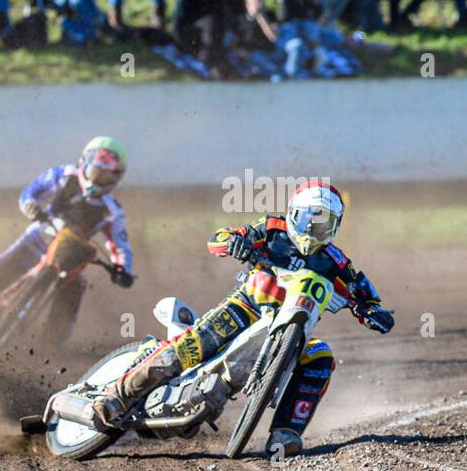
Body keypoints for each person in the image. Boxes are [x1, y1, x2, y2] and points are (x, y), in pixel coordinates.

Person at [93, 181, 394, 456]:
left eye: (323, 220)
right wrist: (234, 244)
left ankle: (286, 433)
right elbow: (220, 237)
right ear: (293, 213)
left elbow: (364, 294)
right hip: (246, 308)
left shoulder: (336, 262)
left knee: (320, 357)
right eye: (308, 217)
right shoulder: (273, 229)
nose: (314, 226)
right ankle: (119, 394)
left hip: (296, 328)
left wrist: (374, 312)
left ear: (335, 224)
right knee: (194, 343)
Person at [0, 137, 134, 347]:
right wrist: (31, 205)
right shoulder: (64, 175)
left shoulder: (112, 211)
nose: (98, 180)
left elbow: (120, 244)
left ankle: (52, 345)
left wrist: (123, 269)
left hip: (70, 255)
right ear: (84, 164)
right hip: (38, 238)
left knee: (76, 287)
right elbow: (31, 192)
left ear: (116, 177)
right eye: (97, 172)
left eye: (106, 176)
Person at [173, 0, 232, 78]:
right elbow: (177, 26)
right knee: (209, 22)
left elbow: (225, 22)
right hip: (191, 40)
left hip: (212, 43)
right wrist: (186, 48)